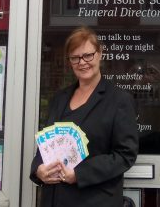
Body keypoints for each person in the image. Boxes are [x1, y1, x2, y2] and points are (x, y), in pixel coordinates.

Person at [31, 26, 139, 207]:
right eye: (75, 58)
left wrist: (80, 174)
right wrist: (38, 170)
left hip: (94, 200)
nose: (82, 62)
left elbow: (125, 155)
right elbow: (46, 146)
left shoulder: (119, 100)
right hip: (54, 199)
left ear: (100, 54)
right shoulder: (59, 99)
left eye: (88, 55)